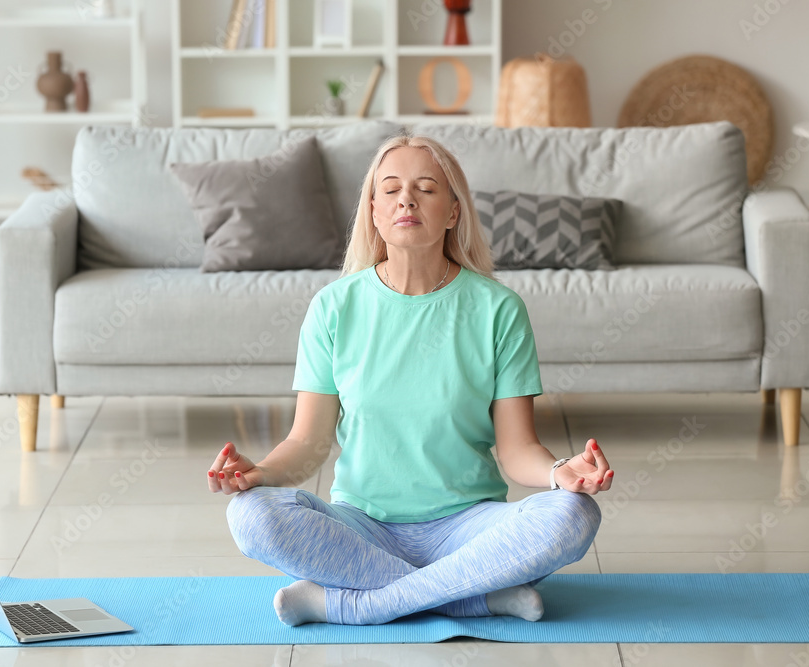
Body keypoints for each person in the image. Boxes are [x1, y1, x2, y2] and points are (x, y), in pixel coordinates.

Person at [207, 134, 614, 627]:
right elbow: (307, 442)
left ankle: (348, 602)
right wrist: (260, 474)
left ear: (453, 213)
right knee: (249, 516)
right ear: (374, 211)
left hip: (468, 525)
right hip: (361, 527)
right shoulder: (334, 308)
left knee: (575, 516)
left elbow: (517, 450)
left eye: (425, 188)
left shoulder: (498, 310)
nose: (407, 199)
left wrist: (560, 474)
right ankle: (476, 596)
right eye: (392, 189)